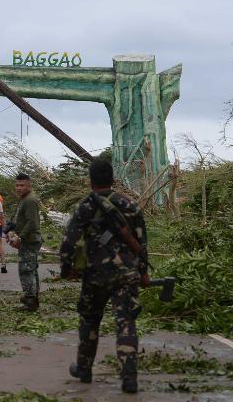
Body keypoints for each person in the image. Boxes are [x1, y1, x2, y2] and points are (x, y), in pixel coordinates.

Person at [59, 159, 149, 394]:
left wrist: (66, 269)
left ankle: (84, 369)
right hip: (127, 274)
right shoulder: (130, 205)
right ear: (113, 179)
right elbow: (141, 243)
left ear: (90, 181)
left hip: (95, 275)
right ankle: (129, 378)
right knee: (126, 323)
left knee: (89, 321)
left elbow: (69, 242)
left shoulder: (85, 207)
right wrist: (144, 273)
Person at [6, 173, 42, 312]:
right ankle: (32, 298)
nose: (19, 188)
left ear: (29, 185)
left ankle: (30, 299)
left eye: (22, 185)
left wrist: (20, 237)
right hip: (28, 239)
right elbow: (19, 220)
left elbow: (32, 222)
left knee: (26, 270)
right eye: (17, 185)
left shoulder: (30, 200)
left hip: (30, 240)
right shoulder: (25, 199)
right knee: (31, 269)